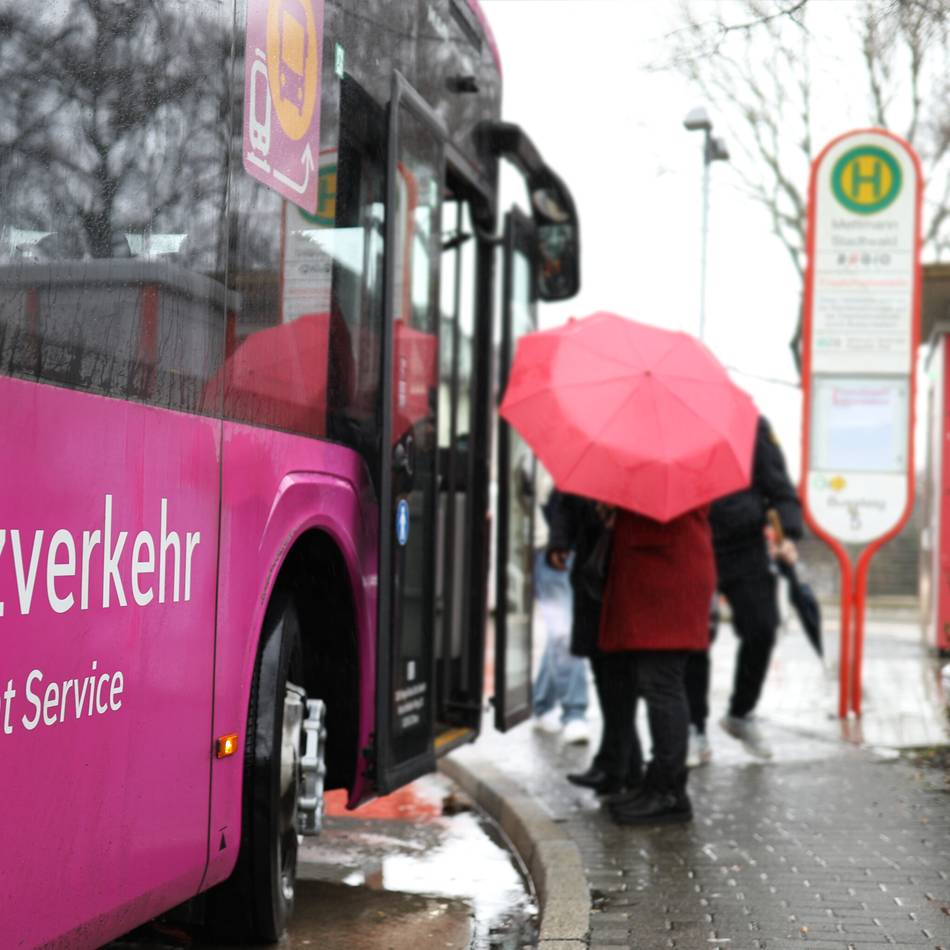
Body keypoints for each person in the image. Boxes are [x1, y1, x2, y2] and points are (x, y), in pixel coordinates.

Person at [685, 416, 803, 764]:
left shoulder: (752, 425)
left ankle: (740, 713)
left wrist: (789, 537)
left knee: (762, 629)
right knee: (694, 639)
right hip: (693, 542)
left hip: (745, 547)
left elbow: (780, 489)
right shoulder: (676, 425)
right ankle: (694, 728)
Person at [600, 504, 717, 826]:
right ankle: (660, 783)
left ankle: (669, 792)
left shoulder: (669, 473)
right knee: (659, 683)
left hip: (666, 580)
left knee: (662, 685)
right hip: (661, 576)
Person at [543, 491, 644, 794]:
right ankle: (617, 763)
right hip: (593, 576)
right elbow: (561, 501)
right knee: (605, 673)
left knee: (620, 677)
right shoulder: (596, 457)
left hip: (626, 577)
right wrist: (560, 540)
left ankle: (623, 765)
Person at [532, 546, 591, 744]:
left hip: (572, 550)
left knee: (560, 634)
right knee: (565, 633)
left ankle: (542, 704)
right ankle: (574, 712)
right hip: (553, 552)